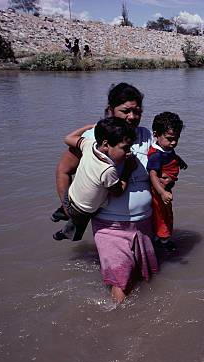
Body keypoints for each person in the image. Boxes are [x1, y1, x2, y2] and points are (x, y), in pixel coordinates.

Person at [55, 83, 157, 304]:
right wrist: (67, 205)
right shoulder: (95, 137)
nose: (132, 116)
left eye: (137, 111)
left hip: (143, 223)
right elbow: (63, 171)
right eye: (125, 111)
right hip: (111, 225)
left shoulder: (145, 135)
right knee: (121, 283)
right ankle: (119, 329)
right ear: (110, 110)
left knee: (143, 279)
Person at [53, 117, 137, 241]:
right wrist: (127, 170)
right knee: (79, 224)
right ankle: (65, 233)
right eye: (125, 148)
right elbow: (118, 192)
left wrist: (88, 127)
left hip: (69, 197)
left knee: (73, 209)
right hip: (83, 210)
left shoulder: (88, 144)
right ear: (105, 145)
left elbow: (68, 139)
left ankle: (60, 213)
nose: (128, 152)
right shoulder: (107, 170)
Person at [146, 112, 188, 252]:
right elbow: (152, 175)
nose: (174, 142)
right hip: (158, 192)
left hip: (164, 189)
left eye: (177, 138)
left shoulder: (166, 148)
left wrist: (179, 161)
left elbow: (171, 155)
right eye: (170, 139)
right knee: (162, 216)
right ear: (156, 134)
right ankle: (164, 242)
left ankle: (161, 238)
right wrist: (162, 192)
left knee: (167, 215)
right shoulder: (156, 155)